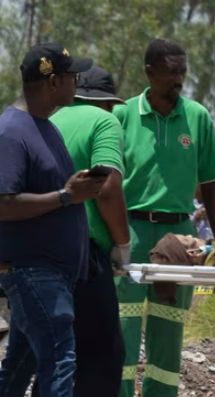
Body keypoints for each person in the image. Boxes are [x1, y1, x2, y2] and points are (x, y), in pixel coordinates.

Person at [113, 38, 215, 397]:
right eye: (171, 72)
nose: (179, 79)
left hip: (179, 236)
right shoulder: (123, 115)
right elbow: (108, 184)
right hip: (129, 229)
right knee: (123, 326)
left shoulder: (198, 117)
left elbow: (211, 184)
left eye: (183, 72)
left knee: (169, 328)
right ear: (149, 73)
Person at [0, 43, 100, 397]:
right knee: (60, 360)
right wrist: (66, 196)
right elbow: (5, 204)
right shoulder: (11, 131)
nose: (78, 82)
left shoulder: (46, 127)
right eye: (73, 76)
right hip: (33, 272)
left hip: (49, 274)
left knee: (17, 370)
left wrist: (76, 190)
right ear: (54, 81)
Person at [35, 66, 129, 397]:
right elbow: (106, 187)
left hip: (38, 254)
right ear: (108, 102)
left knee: (54, 355)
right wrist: (122, 242)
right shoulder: (105, 121)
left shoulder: (48, 121)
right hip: (81, 255)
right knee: (104, 353)